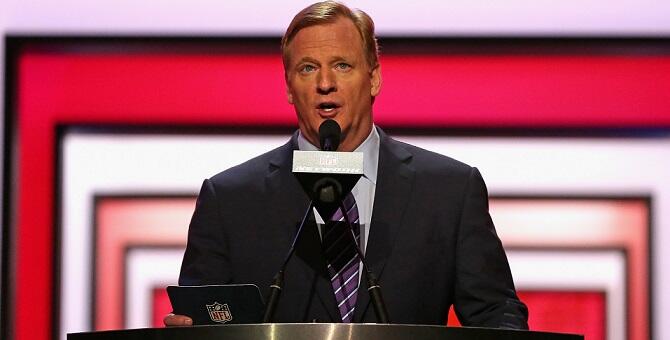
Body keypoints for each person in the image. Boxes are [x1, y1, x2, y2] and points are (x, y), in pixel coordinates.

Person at [165, 0, 528, 328]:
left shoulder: (450, 191)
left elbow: (496, 315)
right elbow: (201, 317)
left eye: (342, 65)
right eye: (308, 68)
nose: (325, 83)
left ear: (374, 78)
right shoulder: (229, 200)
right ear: (289, 87)